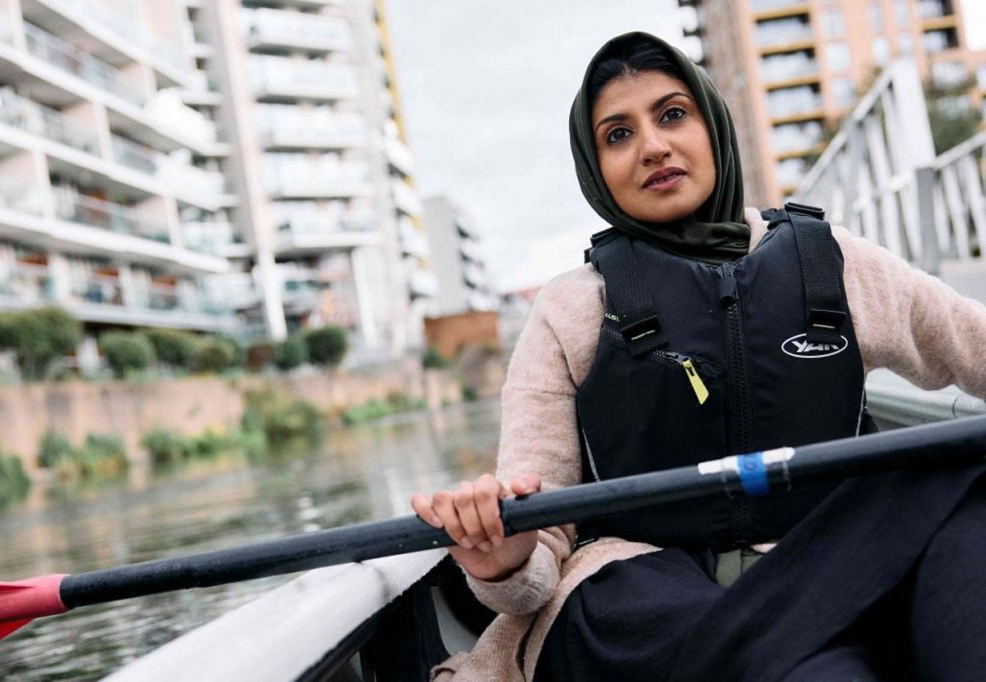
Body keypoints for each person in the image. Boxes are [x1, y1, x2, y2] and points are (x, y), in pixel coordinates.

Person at [413, 32, 986, 681]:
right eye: (618, 134)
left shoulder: (837, 264)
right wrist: (505, 554)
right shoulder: (567, 311)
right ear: (594, 167)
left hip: (824, 562)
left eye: (672, 114)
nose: (653, 146)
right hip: (646, 597)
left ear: (713, 126)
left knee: (957, 471)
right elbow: (535, 567)